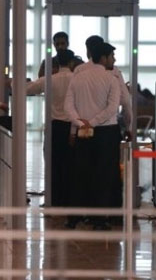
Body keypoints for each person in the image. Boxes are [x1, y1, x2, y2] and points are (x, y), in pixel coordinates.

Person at [64, 42, 121, 230]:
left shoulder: (77, 78)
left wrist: (81, 123)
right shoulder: (111, 78)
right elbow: (113, 107)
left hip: (83, 132)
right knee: (104, 176)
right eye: (112, 56)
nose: (114, 59)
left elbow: (68, 107)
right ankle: (99, 220)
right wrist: (94, 122)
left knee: (79, 174)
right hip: (106, 132)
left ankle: (73, 218)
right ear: (103, 58)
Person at [26, 49, 74, 206]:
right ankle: (67, 199)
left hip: (54, 127)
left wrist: (13, 82)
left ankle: (53, 199)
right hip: (72, 127)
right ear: (72, 62)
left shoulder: (49, 79)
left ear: (57, 62)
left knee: (52, 164)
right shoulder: (77, 79)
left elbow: (27, 90)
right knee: (69, 165)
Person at [74, 35, 132, 140]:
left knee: (85, 156)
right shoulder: (114, 71)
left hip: (84, 126)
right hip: (108, 127)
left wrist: (73, 132)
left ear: (88, 50)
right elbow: (126, 101)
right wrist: (128, 127)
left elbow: (73, 103)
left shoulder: (79, 70)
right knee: (109, 156)